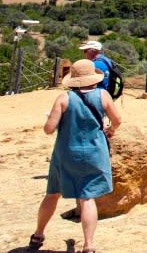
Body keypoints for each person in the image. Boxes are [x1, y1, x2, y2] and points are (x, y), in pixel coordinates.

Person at [28, 58, 122, 253]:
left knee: (52, 193)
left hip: (66, 152)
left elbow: (49, 129)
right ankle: (89, 245)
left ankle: (38, 235)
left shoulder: (64, 99)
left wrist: (51, 119)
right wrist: (110, 130)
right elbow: (118, 120)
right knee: (87, 199)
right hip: (95, 151)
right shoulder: (103, 95)